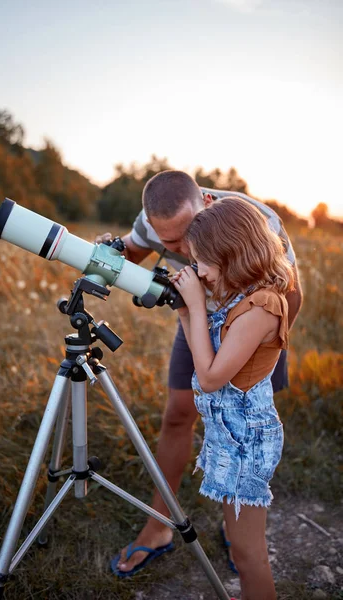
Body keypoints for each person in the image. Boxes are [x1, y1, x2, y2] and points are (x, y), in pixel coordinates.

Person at [101, 170, 302, 578]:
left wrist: (262, 344)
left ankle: (239, 528)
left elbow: (289, 290)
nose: (176, 250)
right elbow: (134, 254)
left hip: (251, 326)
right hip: (195, 317)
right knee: (179, 412)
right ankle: (158, 526)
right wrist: (111, 255)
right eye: (167, 242)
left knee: (241, 417)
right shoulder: (153, 221)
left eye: (182, 239)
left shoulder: (259, 222)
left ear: (206, 206)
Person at [171, 197, 294, 599]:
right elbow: (205, 353)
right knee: (242, 550)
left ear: (231, 252)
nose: (198, 272)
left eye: (202, 261)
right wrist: (189, 315)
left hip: (247, 442)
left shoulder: (262, 308)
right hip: (230, 435)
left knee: (247, 552)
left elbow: (207, 377)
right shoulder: (242, 299)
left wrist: (194, 304)